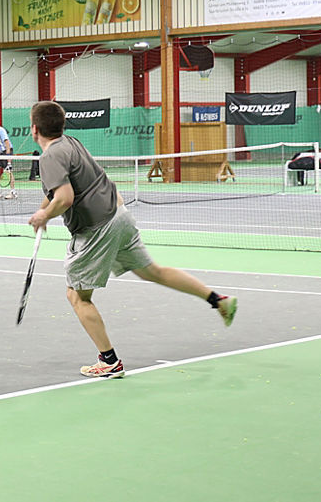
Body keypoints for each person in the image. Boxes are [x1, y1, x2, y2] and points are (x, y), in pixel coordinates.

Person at [26, 101, 235, 379]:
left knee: (77, 295)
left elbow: (64, 198)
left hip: (97, 229)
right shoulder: (71, 143)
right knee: (153, 272)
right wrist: (44, 210)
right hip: (119, 215)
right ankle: (217, 300)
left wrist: (44, 217)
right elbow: (57, 192)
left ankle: (109, 361)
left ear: (34, 129)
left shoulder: (49, 157)